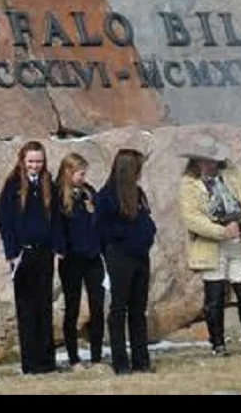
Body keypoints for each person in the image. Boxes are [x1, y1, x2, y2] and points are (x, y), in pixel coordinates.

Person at [178, 136, 241, 356]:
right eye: (207, 161)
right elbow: (192, 218)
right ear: (197, 162)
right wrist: (221, 231)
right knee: (215, 296)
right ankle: (218, 344)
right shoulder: (188, 184)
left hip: (238, 238)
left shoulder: (232, 172)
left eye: (214, 161)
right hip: (211, 244)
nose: (212, 165)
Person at [0, 140, 60, 375]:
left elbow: (55, 220)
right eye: (31, 161)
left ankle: (47, 362)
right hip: (23, 254)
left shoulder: (48, 184)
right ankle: (30, 363)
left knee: (44, 306)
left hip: (44, 254)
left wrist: (57, 246)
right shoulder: (13, 186)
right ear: (23, 161)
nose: (35, 165)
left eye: (39, 161)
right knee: (27, 309)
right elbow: (6, 221)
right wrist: (12, 252)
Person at [95, 148, 157, 375]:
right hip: (119, 257)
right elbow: (101, 229)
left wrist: (148, 235)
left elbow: (147, 221)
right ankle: (120, 361)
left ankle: (142, 360)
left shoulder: (138, 193)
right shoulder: (106, 196)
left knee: (138, 311)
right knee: (119, 309)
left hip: (141, 256)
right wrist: (123, 239)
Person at [53, 152, 106, 368]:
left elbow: (98, 221)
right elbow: (56, 226)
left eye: (84, 173)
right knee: (72, 308)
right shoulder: (59, 196)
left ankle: (96, 355)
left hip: (93, 257)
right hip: (72, 259)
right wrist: (61, 249)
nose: (83, 177)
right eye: (79, 173)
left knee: (98, 306)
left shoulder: (89, 192)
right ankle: (73, 357)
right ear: (68, 172)